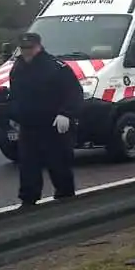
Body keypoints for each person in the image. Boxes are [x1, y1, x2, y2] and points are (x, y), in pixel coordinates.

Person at [6, 32, 83, 208]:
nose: (27, 53)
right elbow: (16, 95)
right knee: (28, 165)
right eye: (24, 49)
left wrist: (66, 113)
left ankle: (65, 198)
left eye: (30, 49)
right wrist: (14, 114)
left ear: (39, 47)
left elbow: (73, 93)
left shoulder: (56, 67)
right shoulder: (18, 68)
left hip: (53, 125)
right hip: (29, 125)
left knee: (58, 163)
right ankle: (28, 201)